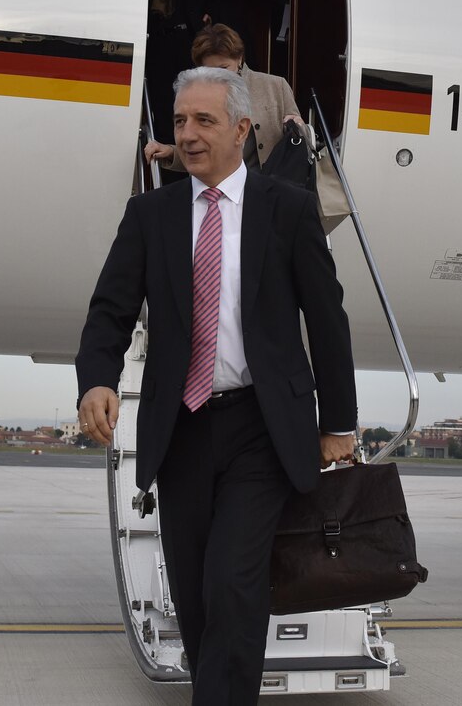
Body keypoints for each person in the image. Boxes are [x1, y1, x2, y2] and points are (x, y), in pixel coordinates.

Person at [78, 65, 357, 704]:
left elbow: (326, 314)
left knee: (235, 583)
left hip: (261, 426)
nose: (189, 134)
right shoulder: (151, 214)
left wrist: (338, 421)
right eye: (180, 122)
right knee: (200, 597)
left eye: (204, 121)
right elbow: (110, 309)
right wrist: (97, 380)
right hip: (182, 429)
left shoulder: (285, 207)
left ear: (241, 128)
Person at [144, 22, 305, 173]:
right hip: (220, 190)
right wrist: (172, 152)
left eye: (224, 68)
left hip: (273, 188)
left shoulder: (275, 85)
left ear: (240, 59)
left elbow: (300, 141)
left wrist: (298, 127)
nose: (219, 76)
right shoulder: (195, 95)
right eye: (211, 70)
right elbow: (200, 147)